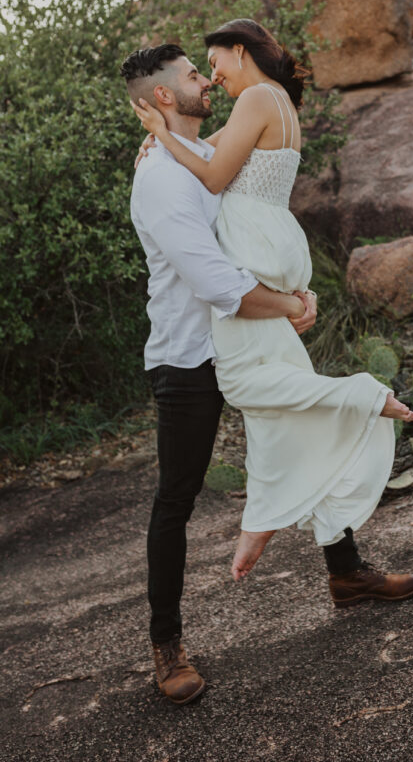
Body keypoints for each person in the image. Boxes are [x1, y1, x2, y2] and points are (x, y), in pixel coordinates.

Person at [122, 43, 318, 706]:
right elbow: (217, 284)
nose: (205, 79)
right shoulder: (158, 180)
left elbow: (250, 238)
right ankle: (166, 645)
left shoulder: (202, 158)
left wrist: (295, 289)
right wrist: (290, 305)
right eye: (189, 75)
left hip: (248, 337)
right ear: (163, 100)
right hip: (189, 359)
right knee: (176, 498)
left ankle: (348, 573)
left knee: (313, 431)